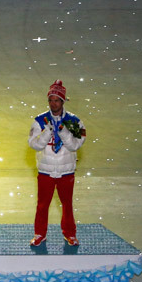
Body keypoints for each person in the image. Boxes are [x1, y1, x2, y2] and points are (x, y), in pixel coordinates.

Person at [28, 80, 86, 246]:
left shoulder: (74, 121)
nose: (53, 104)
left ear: (63, 101)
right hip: (45, 171)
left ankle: (70, 233)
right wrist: (47, 133)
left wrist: (64, 132)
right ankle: (40, 233)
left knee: (67, 204)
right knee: (42, 205)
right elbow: (34, 144)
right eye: (50, 100)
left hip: (66, 171)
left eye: (56, 100)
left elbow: (76, 144)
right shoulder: (40, 120)